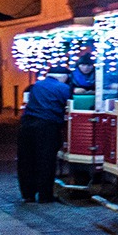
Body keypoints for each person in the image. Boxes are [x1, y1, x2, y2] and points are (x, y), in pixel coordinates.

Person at [17, 69, 72, 203]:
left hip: (27, 125)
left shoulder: (36, 85)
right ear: (64, 77)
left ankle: (28, 194)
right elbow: (70, 103)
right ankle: (45, 195)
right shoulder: (63, 87)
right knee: (46, 161)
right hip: (47, 126)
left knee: (27, 160)